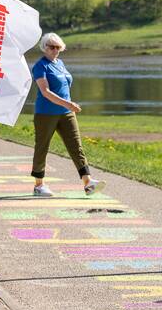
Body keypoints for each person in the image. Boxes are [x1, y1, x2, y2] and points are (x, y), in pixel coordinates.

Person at [30, 32, 105, 196]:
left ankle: (88, 182)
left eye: (57, 47)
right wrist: (69, 104)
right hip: (46, 113)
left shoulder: (60, 63)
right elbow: (45, 92)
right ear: (44, 47)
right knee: (42, 147)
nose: (54, 50)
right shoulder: (40, 66)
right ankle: (38, 185)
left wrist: (68, 106)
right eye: (51, 47)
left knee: (76, 146)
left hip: (66, 113)